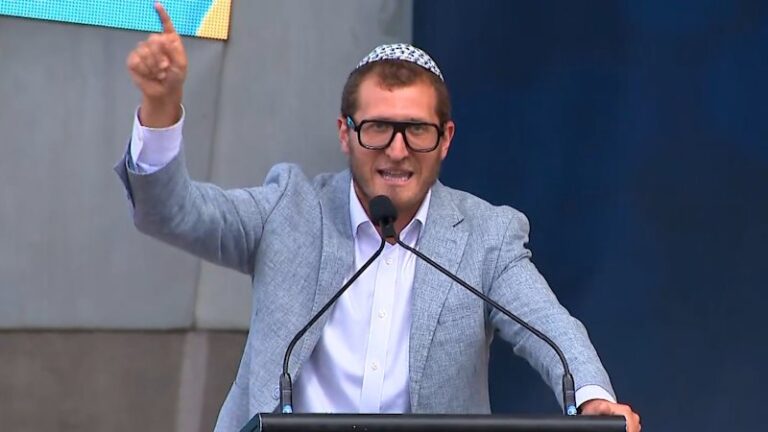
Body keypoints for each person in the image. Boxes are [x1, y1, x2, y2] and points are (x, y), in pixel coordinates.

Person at [118, 3, 641, 431]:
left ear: (446, 139)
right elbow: (172, 214)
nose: (396, 150)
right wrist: (160, 108)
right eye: (377, 128)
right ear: (345, 134)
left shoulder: (486, 235)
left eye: (417, 130)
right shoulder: (289, 209)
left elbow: (550, 327)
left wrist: (591, 397)